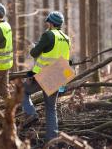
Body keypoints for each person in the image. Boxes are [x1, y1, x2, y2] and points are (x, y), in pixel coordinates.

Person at [21, 11, 70, 142]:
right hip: (59, 75)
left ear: (51, 23)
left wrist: (35, 46)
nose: (47, 23)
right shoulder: (66, 38)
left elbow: (34, 53)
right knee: (51, 109)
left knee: (22, 90)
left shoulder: (48, 35)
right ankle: (52, 141)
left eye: (48, 21)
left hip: (46, 74)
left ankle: (31, 113)